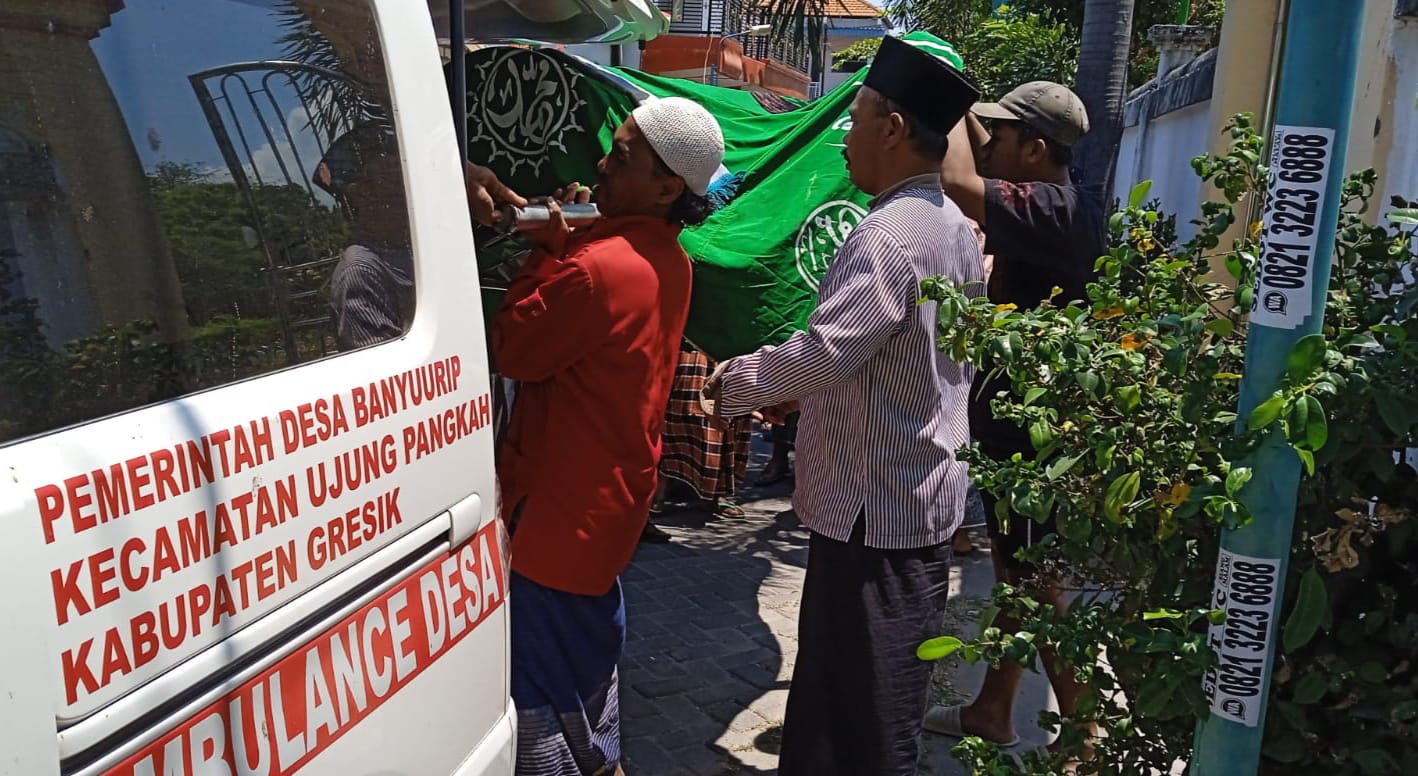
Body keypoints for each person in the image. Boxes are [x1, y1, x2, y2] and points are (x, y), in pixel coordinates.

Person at [703, 36, 983, 775]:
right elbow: (895, 361)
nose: (847, 140)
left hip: (874, 518)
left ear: (892, 129)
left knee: (867, 715)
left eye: (854, 121)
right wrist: (800, 401)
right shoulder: (951, 227)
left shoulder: (888, 235)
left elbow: (827, 351)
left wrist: (732, 385)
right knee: (848, 706)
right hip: (904, 497)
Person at [489, 96, 724, 776]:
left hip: (555, 517)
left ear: (666, 187)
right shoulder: (667, 260)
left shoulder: (596, 269)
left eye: (622, 158)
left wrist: (547, 255)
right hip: (605, 507)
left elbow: (515, 349)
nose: (601, 165)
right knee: (588, 678)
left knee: (545, 698)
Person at [927, 81, 1107, 756]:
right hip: (1028, 429)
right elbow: (977, 156)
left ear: (1035, 150)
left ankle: (1085, 731)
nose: (988, 144)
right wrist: (977, 115)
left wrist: (938, 89)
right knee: (1020, 577)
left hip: (1031, 435)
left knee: (1033, 585)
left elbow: (952, 176)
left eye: (1002, 136)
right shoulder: (1063, 199)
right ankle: (993, 709)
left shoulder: (1050, 209)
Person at [317, 126, 416, 349]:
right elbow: (394, 373)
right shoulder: (361, 270)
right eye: (392, 185)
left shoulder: (409, 248)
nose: (406, 194)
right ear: (362, 194)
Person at [647, 341, 753, 539]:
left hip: (729, 347)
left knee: (724, 417)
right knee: (676, 413)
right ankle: (661, 485)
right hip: (687, 345)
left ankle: (715, 492)